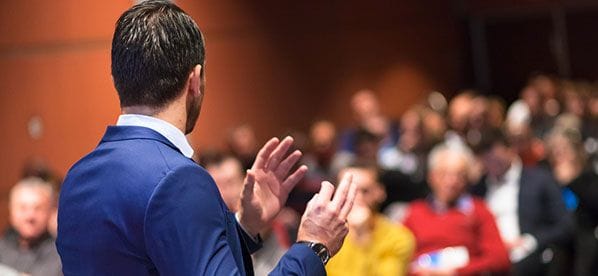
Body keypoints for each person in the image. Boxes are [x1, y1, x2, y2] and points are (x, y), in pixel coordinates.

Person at [56, 1, 356, 275]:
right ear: (194, 81)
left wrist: (244, 225)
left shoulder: (77, 177)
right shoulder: (177, 179)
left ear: (118, 79)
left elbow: (156, 257)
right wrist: (313, 246)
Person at [470, 128, 573, 276]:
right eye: (484, 155)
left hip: (530, 257)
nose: (490, 159)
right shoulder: (477, 189)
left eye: (493, 152)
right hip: (490, 257)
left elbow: (565, 225)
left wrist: (530, 241)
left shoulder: (540, 180)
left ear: (510, 149)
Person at [403, 143, 510, 275]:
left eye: (459, 175)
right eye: (444, 174)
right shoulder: (415, 212)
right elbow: (400, 256)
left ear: (467, 179)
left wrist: (457, 272)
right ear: (431, 177)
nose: (451, 182)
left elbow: (499, 259)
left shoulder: (479, 210)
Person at [326, 165, 415, 276]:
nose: (355, 198)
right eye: (347, 191)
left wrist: (362, 237)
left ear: (380, 192)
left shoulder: (399, 238)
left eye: (364, 191)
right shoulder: (324, 233)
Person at [0, 177, 62, 276]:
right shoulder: (2, 246)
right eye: (23, 208)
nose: (30, 216)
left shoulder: (60, 254)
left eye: (38, 208)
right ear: (11, 212)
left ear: (49, 213)